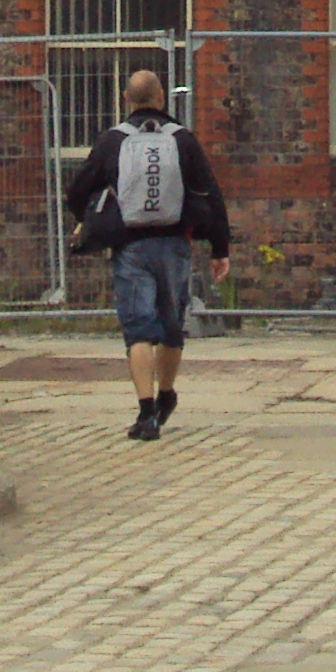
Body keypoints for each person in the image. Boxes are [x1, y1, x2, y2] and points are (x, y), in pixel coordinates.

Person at [63, 68, 230, 440]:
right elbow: (210, 194)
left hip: (130, 246)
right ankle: (166, 393)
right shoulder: (183, 140)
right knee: (171, 326)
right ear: (161, 98)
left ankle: (146, 413)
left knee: (138, 328)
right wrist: (220, 248)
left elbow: (77, 191)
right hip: (175, 244)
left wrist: (85, 219)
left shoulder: (112, 141)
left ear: (126, 99)